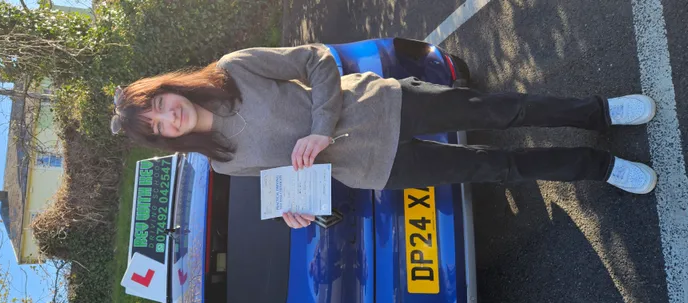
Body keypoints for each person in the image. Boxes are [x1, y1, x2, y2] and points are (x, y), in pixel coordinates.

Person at [110, 44, 658, 229]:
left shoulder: (233, 69)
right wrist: (301, 211)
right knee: (495, 168)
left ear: (167, 89)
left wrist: (320, 127)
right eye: (157, 126)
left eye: (158, 105)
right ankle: (600, 168)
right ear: (164, 139)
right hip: (376, 169)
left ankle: (601, 112)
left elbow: (317, 59)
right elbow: (295, 178)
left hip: (384, 104)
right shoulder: (223, 163)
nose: (168, 117)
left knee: (504, 112)